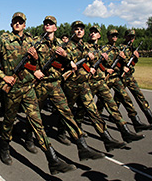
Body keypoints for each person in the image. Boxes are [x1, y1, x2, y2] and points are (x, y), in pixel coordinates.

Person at [0, 12, 76, 175]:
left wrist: (35, 59)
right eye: (15, 22)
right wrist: (3, 76)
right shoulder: (3, 39)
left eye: (20, 22)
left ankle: (52, 159)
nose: (18, 24)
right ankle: (4, 147)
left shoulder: (31, 41)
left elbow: (43, 59)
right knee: (9, 121)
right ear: (11, 24)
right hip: (12, 88)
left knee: (37, 122)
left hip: (28, 87)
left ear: (25, 25)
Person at [33, 16, 104, 161]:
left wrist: (67, 57)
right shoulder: (36, 42)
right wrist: (34, 70)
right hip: (40, 84)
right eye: (46, 24)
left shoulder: (61, 44)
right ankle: (28, 137)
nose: (48, 26)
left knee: (67, 113)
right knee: (35, 115)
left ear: (55, 28)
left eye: (51, 24)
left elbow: (73, 58)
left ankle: (82, 146)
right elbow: (26, 60)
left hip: (55, 84)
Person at [63, 21, 127, 152]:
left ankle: (106, 139)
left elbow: (87, 62)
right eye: (76, 29)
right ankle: (61, 131)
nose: (79, 31)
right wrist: (69, 60)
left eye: (81, 29)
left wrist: (92, 62)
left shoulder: (85, 46)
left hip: (84, 83)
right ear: (72, 31)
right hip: (71, 84)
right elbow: (65, 60)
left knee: (93, 110)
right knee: (67, 111)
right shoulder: (66, 46)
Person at [100, 29, 152, 132]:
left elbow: (125, 64)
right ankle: (94, 117)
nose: (114, 37)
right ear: (108, 37)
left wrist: (132, 59)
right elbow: (98, 63)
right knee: (102, 102)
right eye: (112, 35)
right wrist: (106, 69)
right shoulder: (105, 48)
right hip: (106, 78)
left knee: (125, 98)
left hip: (116, 78)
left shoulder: (117, 49)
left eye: (116, 35)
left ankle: (136, 121)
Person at [120, 30, 152, 124]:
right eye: (129, 36)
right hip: (121, 76)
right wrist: (123, 61)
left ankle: (149, 115)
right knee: (120, 99)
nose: (131, 39)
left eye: (133, 37)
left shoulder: (133, 49)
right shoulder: (121, 48)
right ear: (125, 37)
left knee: (139, 95)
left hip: (129, 76)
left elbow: (132, 63)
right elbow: (116, 62)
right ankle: (113, 116)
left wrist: (136, 59)